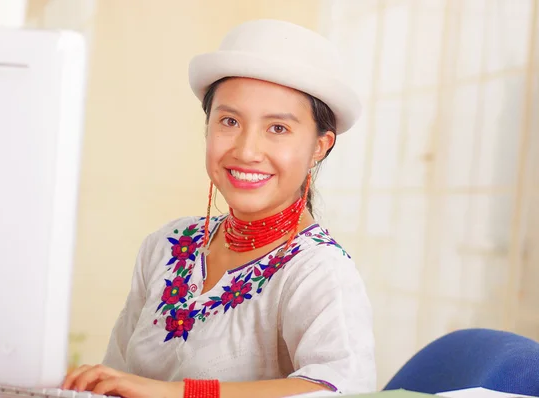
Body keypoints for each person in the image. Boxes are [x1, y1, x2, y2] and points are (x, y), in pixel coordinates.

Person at [63, 19, 376, 398]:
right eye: (229, 121)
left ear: (319, 147)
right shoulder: (166, 245)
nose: (246, 151)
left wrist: (179, 393)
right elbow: (117, 377)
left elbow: (338, 387)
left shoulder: (318, 270)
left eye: (277, 128)